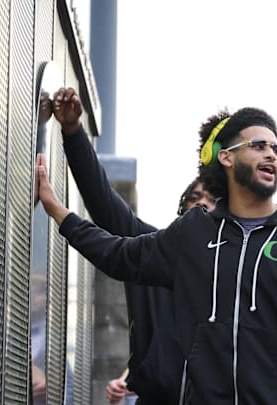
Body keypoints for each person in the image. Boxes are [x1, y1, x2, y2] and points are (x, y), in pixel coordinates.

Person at [37, 106, 277, 404]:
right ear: (226, 158)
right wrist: (60, 212)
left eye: (275, 148)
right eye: (259, 144)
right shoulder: (190, 236)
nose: (271, 153)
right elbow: (117, 251)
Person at [51, 88, 217, 405]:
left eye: (212, 201)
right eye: (194, 199)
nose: (202, 206)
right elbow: (104, 203)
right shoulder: (152, 251)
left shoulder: (241, 269)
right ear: (182, 212)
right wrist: (73, 132)